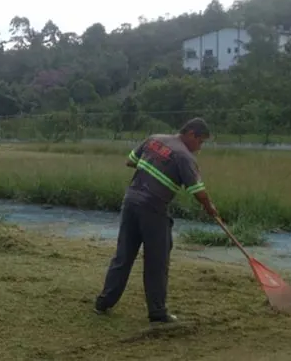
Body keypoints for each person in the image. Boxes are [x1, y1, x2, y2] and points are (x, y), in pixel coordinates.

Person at [93, 117, 218, 326]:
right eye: (201, 142)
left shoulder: (154, 139)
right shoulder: (184, 156)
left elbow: (130, 160)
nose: (200, 148)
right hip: (152, 208)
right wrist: (210, 209)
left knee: (123, 255)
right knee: (157, 261)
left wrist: (152, 168)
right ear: (191, 134)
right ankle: (158, 313)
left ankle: (103, 303)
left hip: (130, 201)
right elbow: (199, 192)